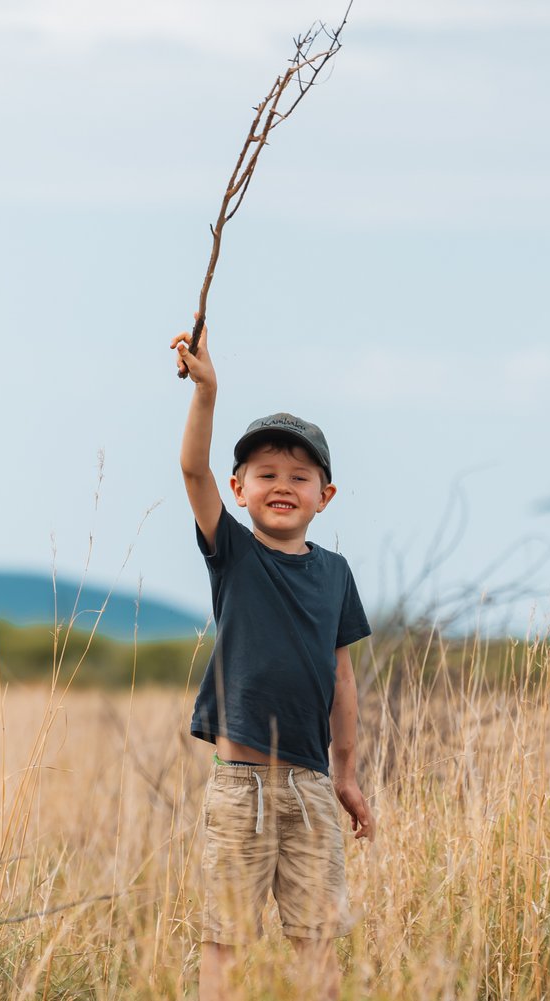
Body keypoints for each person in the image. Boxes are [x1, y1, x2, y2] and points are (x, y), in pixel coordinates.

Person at [172, 320, 376, 1001]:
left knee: (316, 934)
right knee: (224, 935)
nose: (281, 484)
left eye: (299, 474)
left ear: (326, 494)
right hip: (241, 788)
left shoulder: (337, 574)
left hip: (312, 789)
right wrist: (208, 391)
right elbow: (191, 468)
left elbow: (342, 678)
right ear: (239, 487)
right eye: (265, 474)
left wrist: (346, 774)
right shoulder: (233, 554)